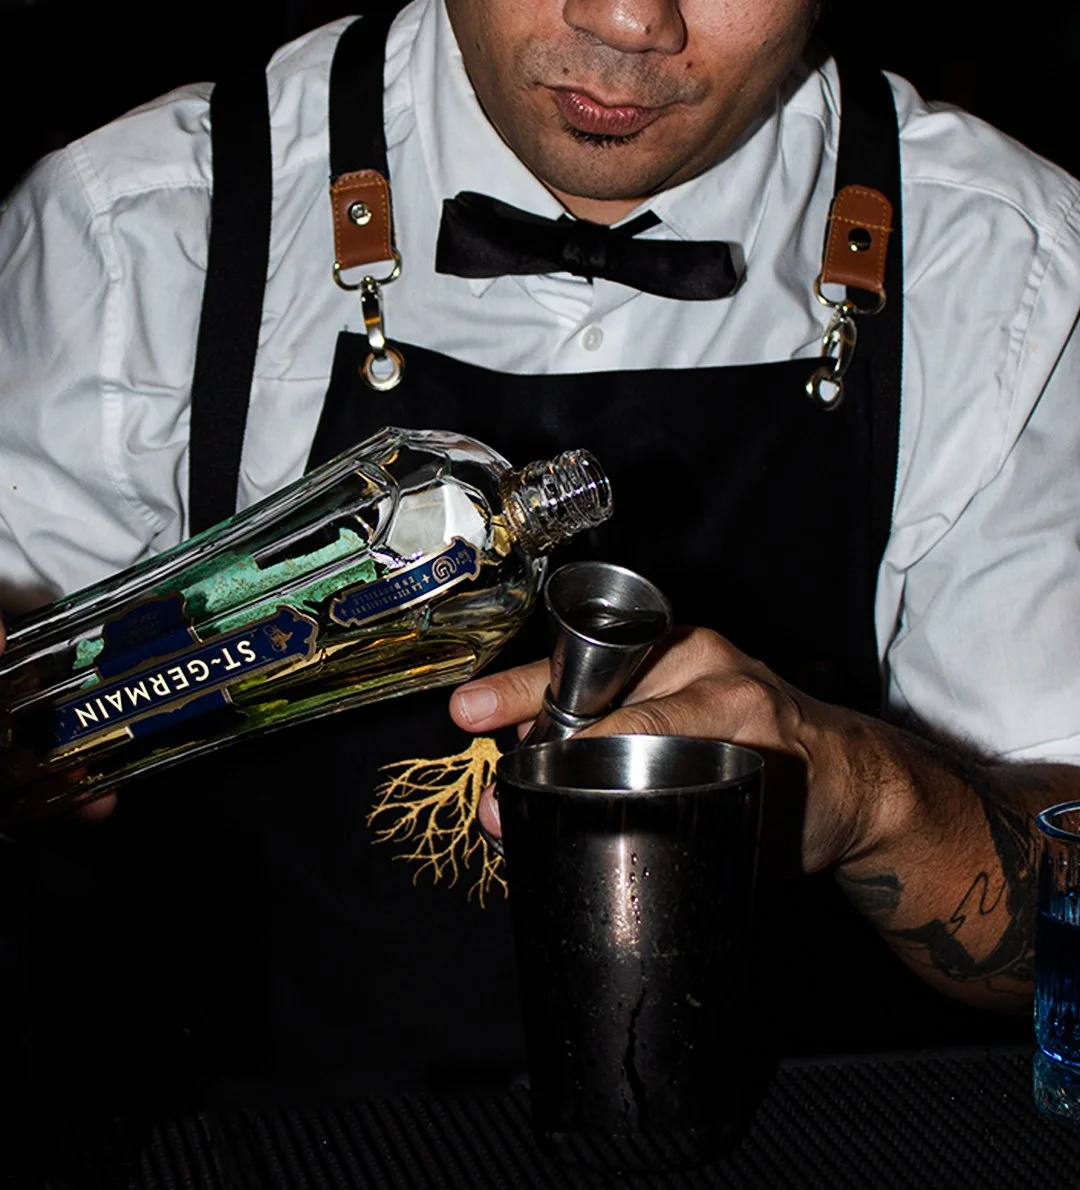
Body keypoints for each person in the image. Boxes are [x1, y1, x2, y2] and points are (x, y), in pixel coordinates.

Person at [2, 0, 1079, 1107]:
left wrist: (867, 794)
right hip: (248, 1184)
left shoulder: (1008, 261)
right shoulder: (138, 227)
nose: (627, 21)